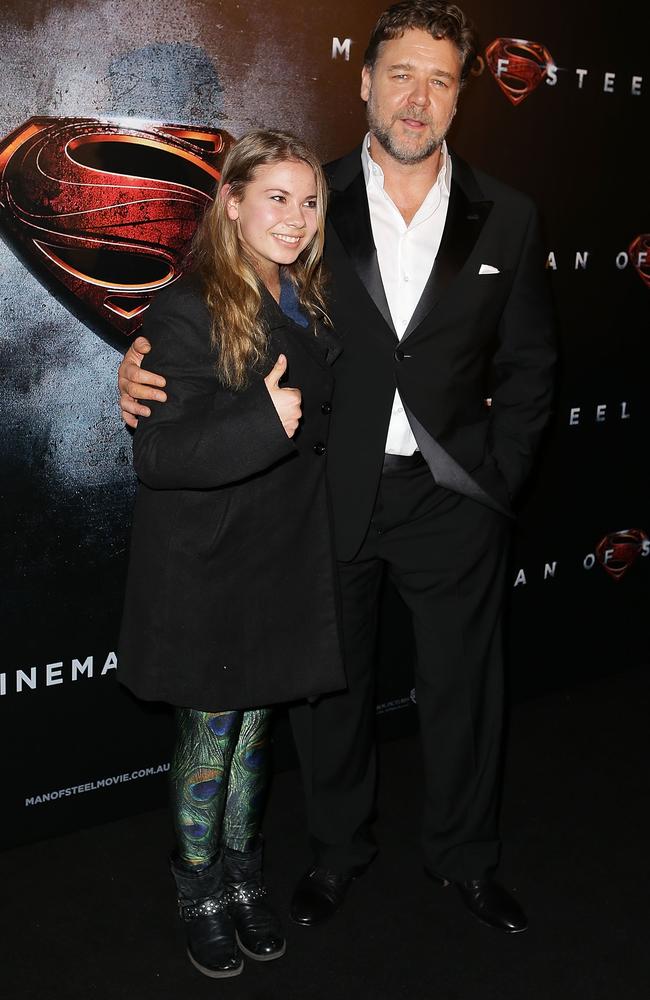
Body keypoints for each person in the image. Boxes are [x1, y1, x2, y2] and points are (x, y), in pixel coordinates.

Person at [119, 2, 556, 936]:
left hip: (455, 497)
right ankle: (333, 855)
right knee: (329, 694)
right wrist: (138, 364)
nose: (418, 96)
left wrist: (501, 478)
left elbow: (531, 364)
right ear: (363, 81)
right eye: (401, 72)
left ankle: (465, 858)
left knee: (465, 690)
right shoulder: (305, 200)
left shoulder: (508, 215)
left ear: (460, 98)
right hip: (330, 490)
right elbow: (218, 305)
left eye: (440, 78)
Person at [118, 129, 345, 978]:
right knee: (211, 737)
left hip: (279, 553)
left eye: (309, 200)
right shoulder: (187, 306)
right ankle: (198, 889)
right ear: (235, 203)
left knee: (255, 734)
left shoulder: (307, 295)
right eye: (276, 198)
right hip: (208, 563)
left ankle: (244, 876)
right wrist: (262, 420)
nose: (295, 217)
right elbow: (159, 455)